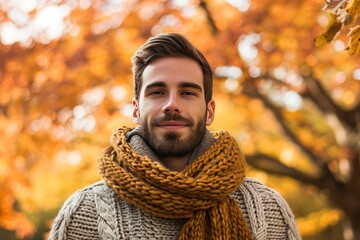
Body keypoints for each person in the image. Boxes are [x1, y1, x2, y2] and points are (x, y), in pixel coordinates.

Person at [49, 33, 301, 240]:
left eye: (188, 93)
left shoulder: (269, 211)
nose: (171, 104)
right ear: (136, 109)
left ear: (209, 111)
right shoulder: (85, 213)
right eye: (157, 92)